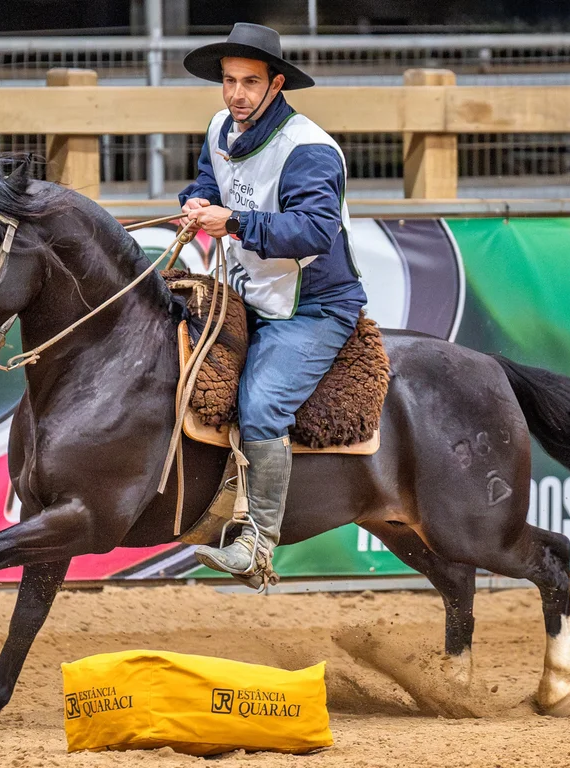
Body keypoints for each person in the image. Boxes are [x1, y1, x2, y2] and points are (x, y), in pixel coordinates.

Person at [179, 23, 367, 580]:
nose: (235, 93)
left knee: (261, 404)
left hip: (314, 305)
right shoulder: (220, 126)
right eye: (229, 80)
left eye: (249, 82)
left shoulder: (308, 149)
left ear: (276, 83)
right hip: (250, 292)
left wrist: (232, 221)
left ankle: (258, 543)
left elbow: (314, 231)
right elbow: (207, 180)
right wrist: (195, 202)